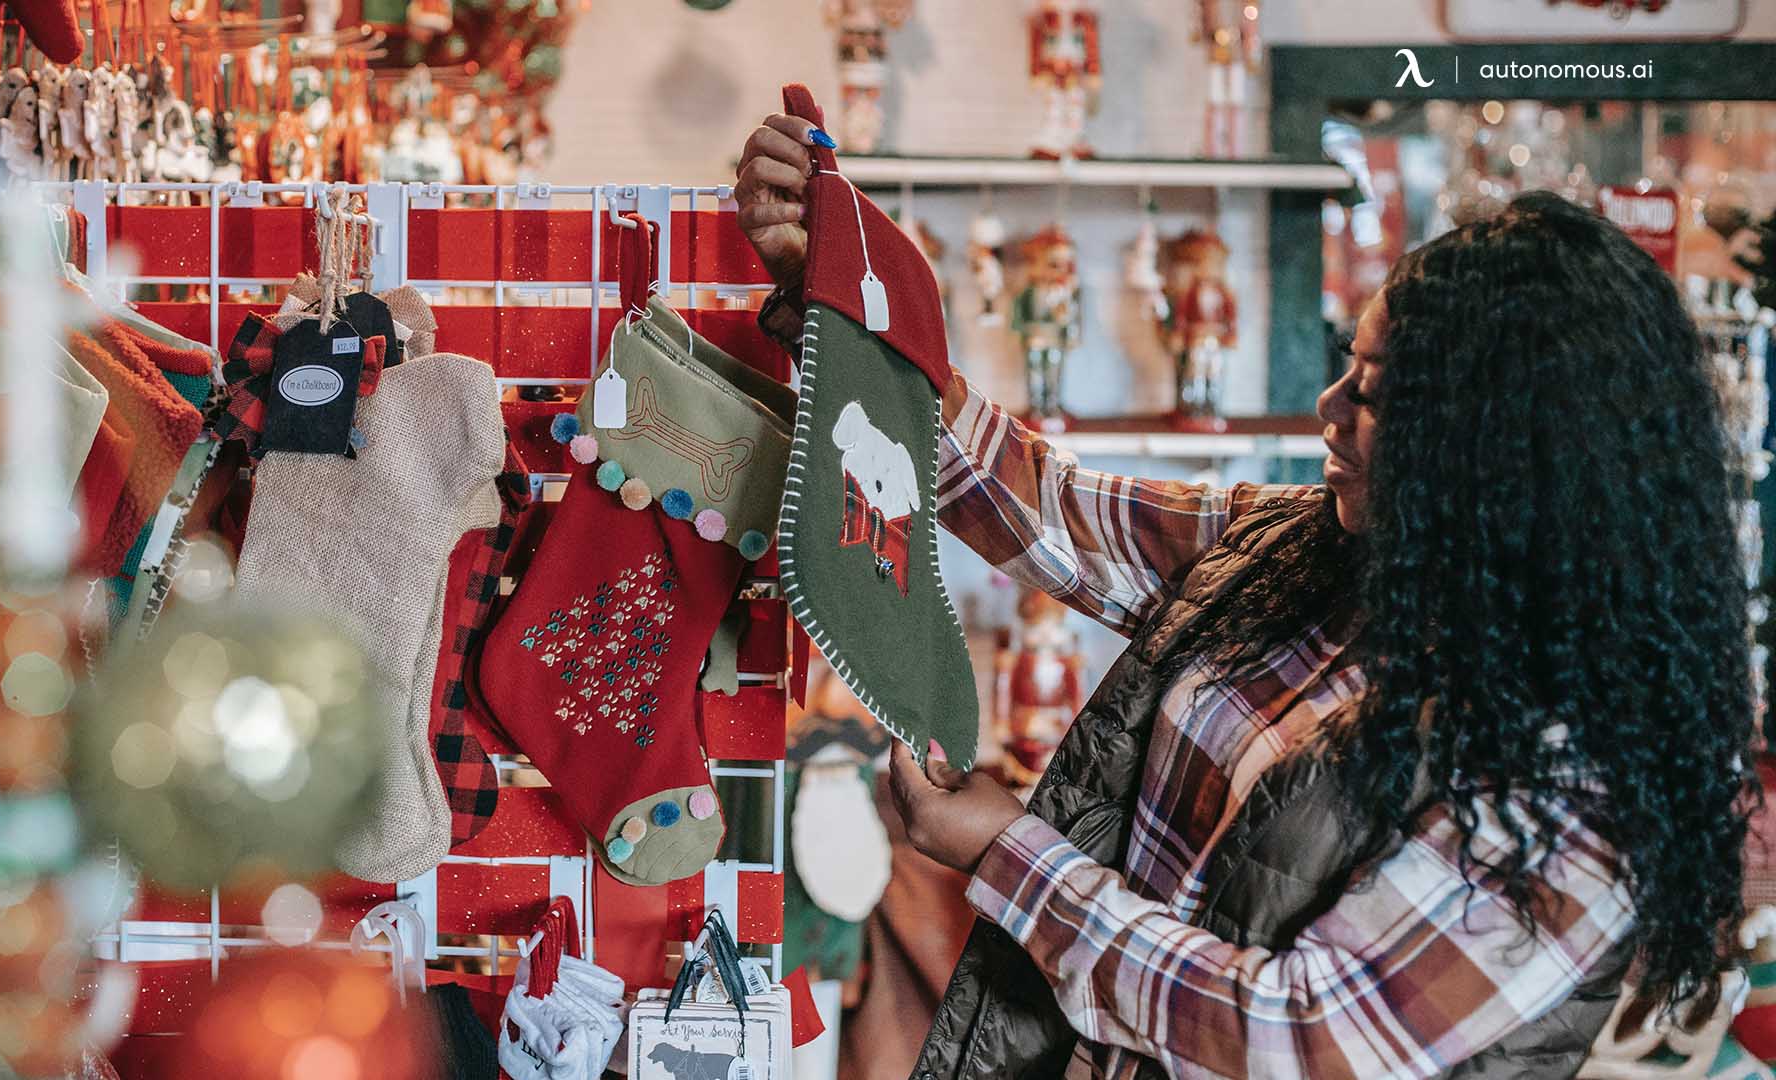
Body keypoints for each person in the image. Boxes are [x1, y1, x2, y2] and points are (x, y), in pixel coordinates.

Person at [735, 113, 1759, 1079]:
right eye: (1344, 370)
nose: (1328, 409)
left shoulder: (1573, 784)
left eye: (1373, 394)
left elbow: (1295, 1037)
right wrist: (843, 302)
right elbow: (1049, 509)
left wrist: (1009, 855)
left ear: (1507, 451)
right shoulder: (1313, 552)